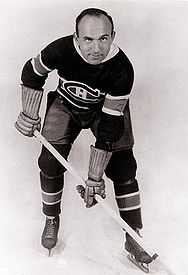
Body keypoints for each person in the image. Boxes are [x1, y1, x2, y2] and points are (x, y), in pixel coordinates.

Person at [15, 7, 153, 266]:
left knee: (124, 168)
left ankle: (133, 233)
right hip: (65, 105)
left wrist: (94, 177)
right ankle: (51, 218)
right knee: (49, 163)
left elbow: (110, 129)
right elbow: (32, 72)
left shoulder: (123, 69)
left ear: (113, 36)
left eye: (103, 38)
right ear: (76, 38)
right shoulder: (60, 50)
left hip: (105, 112)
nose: (96, 48)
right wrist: (29, 113)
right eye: (88, 39)